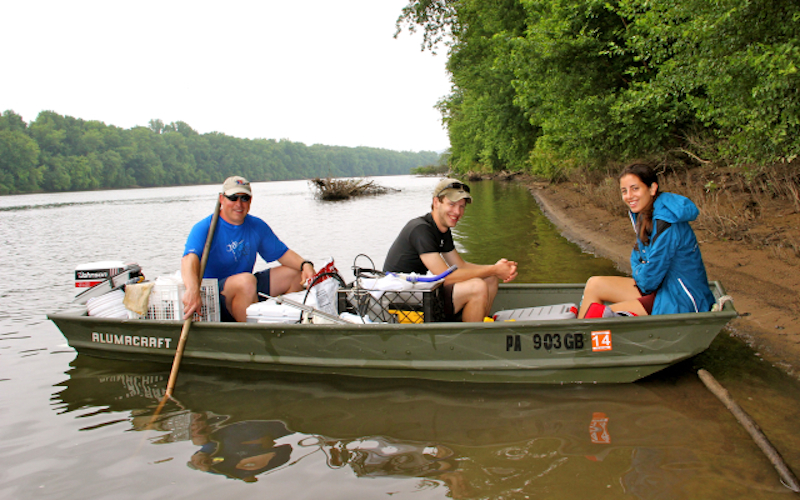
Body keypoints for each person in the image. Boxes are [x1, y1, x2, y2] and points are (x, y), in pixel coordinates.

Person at [577, 164, 715, 318]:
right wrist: (642, 271)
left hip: (680, 298)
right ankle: (580, 336)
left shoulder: (667, 223)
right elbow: (637, 257)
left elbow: (649, 280)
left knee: (597, 314)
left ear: (652, 188)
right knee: (594, 284)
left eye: (635, 189)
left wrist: (640, 272)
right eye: (624, 191)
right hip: (662, 288)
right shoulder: (646, 215)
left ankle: (583, 335)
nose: (629, 196)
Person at [182, 176, 316, 322]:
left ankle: (287, 323)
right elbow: (189, 259)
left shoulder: (256, 226)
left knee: (295, 274)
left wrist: (306, 265)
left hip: (248, 285)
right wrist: (192, 290)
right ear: (222, 199)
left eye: (244, 198)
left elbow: (283, 254)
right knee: (246, 281)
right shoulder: (204, 227)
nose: (239, 204)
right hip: (214, 296)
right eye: (233, 198)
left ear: (250, 200)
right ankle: (252, 335)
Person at [383, 178, 518, 322]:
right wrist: (494, 269)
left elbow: (460, 266)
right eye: (452, 204)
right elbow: (445, 277)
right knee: (477, 286)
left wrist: (495, 269)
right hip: (400, 298)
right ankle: (470, 336)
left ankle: (477, 323)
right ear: (436, 202)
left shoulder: (443, 229)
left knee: (490, 279)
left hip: (419, 290)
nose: (457, 211)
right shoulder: (420, 229)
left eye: (462, 206)